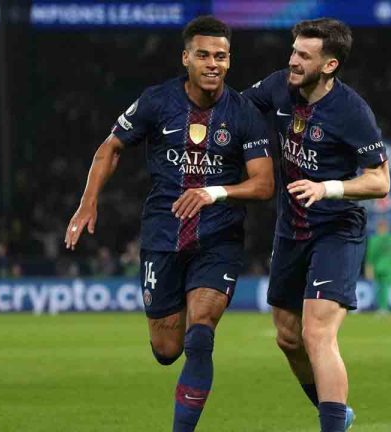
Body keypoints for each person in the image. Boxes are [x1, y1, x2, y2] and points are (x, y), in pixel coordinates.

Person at [64, 16, 273, 432]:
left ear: (229, 61)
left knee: (200, 336)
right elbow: (111, 148)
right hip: (163, 236)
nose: (212, 63)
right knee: (166, 349)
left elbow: (264, 183)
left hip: (220, 238)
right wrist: (88, 202)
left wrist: (217, 192)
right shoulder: (157, 101)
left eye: (220, 56)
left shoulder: (245, 113)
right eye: (203, 55)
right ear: (186, 58)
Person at [242, 18, 390, 432]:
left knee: (317, 332)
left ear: (329, 65)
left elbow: (380, 181)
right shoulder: (277, 87)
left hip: (336, 230)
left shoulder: (352, 112)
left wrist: (329, 188)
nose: (293, 60)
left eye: (304, 56)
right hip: (291, 228)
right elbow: (235, 111)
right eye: (293, 51)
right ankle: (336, 414)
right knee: (288, 337)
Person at [365, 219, 391, 314]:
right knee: (383, 288)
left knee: (382, 288)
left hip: (382, 267)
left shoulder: (376, 239)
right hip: (386, 268)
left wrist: (369, 269)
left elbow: (369, 256)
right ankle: (383, 308)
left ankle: (383, 308)